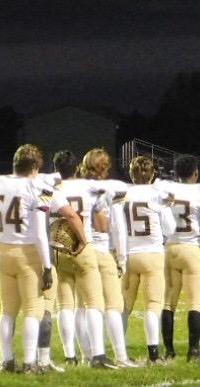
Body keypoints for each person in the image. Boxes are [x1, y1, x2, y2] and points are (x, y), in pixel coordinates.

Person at [0, 144, 86, 373]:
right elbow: (41, 232)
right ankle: (30, 362)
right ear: (34, 166)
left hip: (3, 251)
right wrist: (47, 266)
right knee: (33, 309)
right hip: (28, 252)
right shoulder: (36, 187)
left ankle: (6, 360)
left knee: (7, 310)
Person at [48, 151, 118, 369]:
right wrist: (84, 240)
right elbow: (101, 221)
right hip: (82, 246)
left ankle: (70, 356)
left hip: (58, 247)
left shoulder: (51, 189)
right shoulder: (88, 187)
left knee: (65, 305)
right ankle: (97, 355)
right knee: (93, 303)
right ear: (77, 166)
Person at [76, 148, 136, 368]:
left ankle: (87, 355)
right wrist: (121, 258)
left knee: (82, 306)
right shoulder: (110, 189)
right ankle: (120, 356)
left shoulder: (75, 186)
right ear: (105, 167)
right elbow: (115, 227)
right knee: (113, 304)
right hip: (101, 251)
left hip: (78, 251)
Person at [116, 155, 175, 365]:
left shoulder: (124, 193)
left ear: (131, 173)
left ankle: (120, 352)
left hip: (129, 255)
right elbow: (170, 229)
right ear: (152, 174)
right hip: (152, 254)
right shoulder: (157, 194)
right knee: (153, 305)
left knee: (124, 306)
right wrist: (166, 207)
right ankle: (153, 354)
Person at [157, 156, 200, 362]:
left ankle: (169, 351)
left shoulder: (166, 190)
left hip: (170, 248)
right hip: (192, 249)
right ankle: (193, 351)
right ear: (196, 173)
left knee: (168, 302)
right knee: (196, 301)